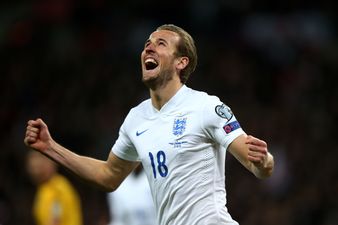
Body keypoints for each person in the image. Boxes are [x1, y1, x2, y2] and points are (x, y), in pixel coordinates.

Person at [24, 24, 274, 225]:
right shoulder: (136, 118)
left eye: (160, 44)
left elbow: (258, 165)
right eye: (147, 45)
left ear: (181, 62)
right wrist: (51, 148)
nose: (149, 49)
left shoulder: (206, 107)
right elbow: (108, 175)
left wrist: (264, 161)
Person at [26, 150, 83, 225]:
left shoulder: (57, 188)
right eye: (32, 168)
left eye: (38, 167)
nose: (34, 171)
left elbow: (55, 220)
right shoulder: (44, 188)